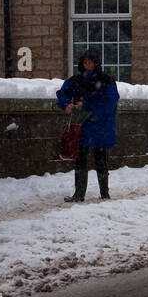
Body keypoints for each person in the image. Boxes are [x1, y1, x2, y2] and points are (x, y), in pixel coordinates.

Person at [56, 50, 119, 202]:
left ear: (96, 63)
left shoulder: (106, 80)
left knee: (100, 159)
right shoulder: (76, 80)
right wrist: (66, 104)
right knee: (80, 159)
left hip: (99, 125)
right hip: (83, 123)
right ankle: (79, 194)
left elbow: (110, 103)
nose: (87, 65)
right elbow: (62, 93)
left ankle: (105, 193)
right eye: (85, 62)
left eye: (90, 62)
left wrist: (87, 106)